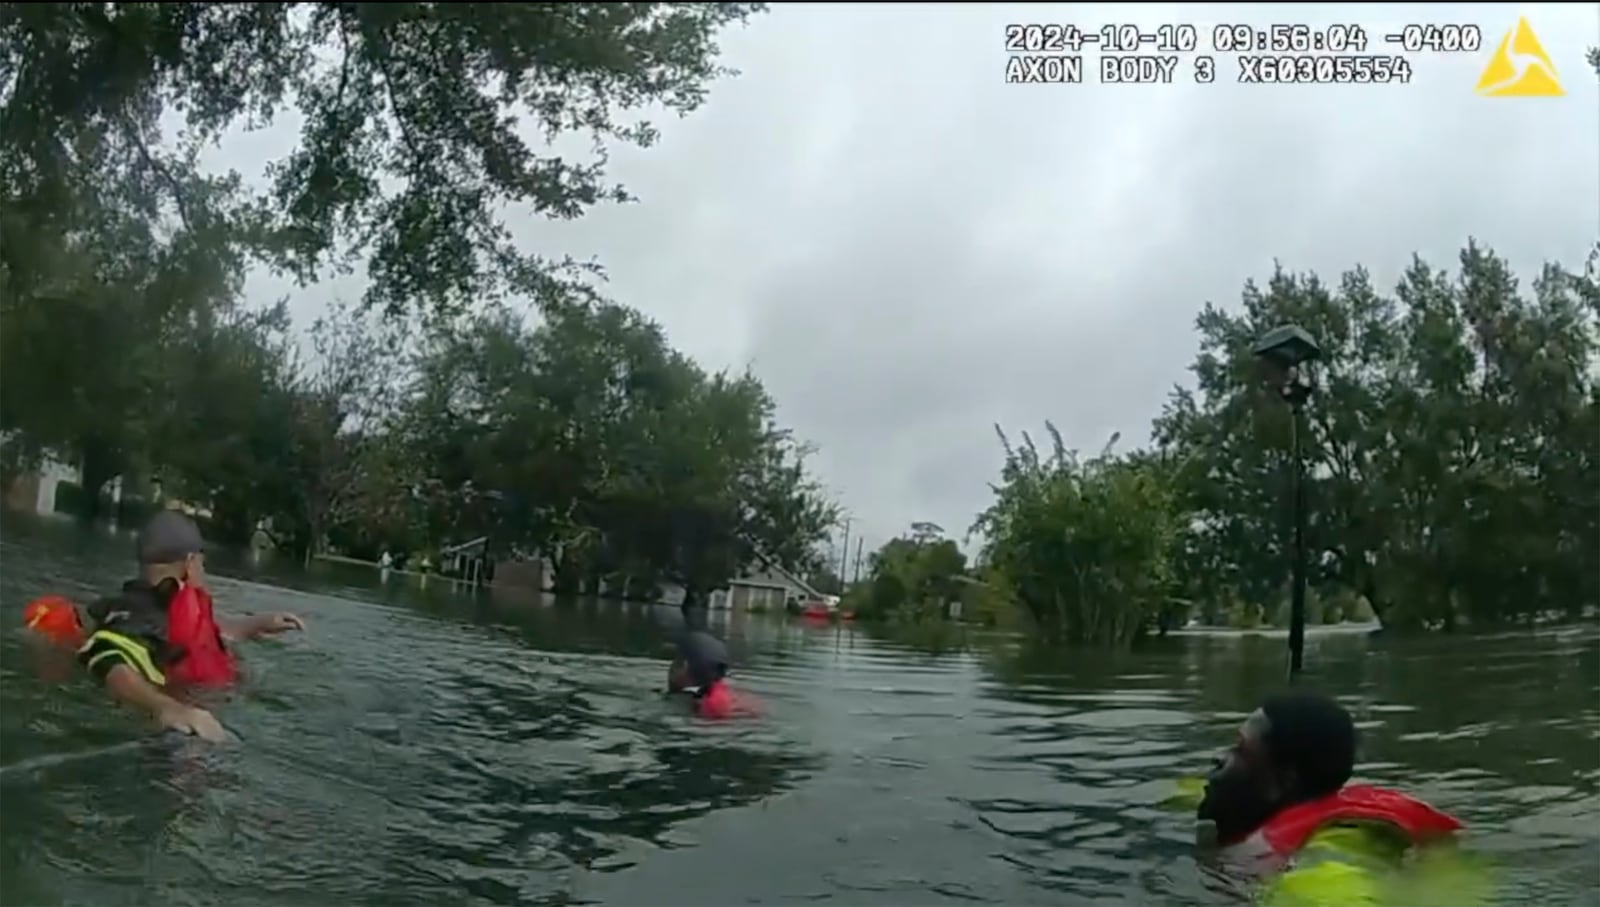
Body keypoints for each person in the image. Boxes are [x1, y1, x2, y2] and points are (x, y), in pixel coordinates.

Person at [76, 510, 306, 742]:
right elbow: (109, 659)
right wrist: (168, 708)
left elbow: (204, 636)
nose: (203, 572)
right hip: (164, 733)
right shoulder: (147, 617)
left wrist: (256, 624)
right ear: (190, 564)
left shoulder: (143, 605)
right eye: (202, 563)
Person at [1196, 689, 1463, 885]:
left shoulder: (1336, 853)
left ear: (1284, 781)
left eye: (1242, 751)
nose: (1220, 759)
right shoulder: (1265, 800)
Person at [666, 629, 743, 720]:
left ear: (685, 667)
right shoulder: (734, 700)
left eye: (676, 664)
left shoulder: (678, 705)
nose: (670, 671)